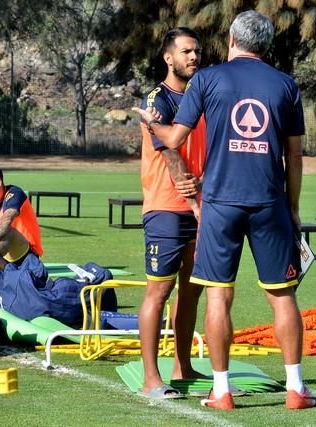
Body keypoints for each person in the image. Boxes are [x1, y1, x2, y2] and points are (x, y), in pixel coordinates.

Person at [132, 11, 316, 411]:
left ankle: (221, 391)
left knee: (218, 296)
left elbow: (176, 137)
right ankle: (296, 389)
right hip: (270, 201)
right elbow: (296, 156)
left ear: (232, 38)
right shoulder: (286, 85)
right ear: (266, 45)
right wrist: (293, 207)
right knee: (283, 297)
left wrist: (152, 125)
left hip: (219, 203)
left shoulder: (208, 79)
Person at [137, 27, 207, 399]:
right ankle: (152, 378)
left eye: (197, 51)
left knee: (192, 290)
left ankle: (183, 366)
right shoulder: (157, 100)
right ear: (169, 58)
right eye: (186, 52)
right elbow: (169, 150)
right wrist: (192, 197)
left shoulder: (202, 95)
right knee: (159, 291)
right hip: (167, 207)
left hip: (200, 207)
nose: (194, 57)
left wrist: (205, 195)